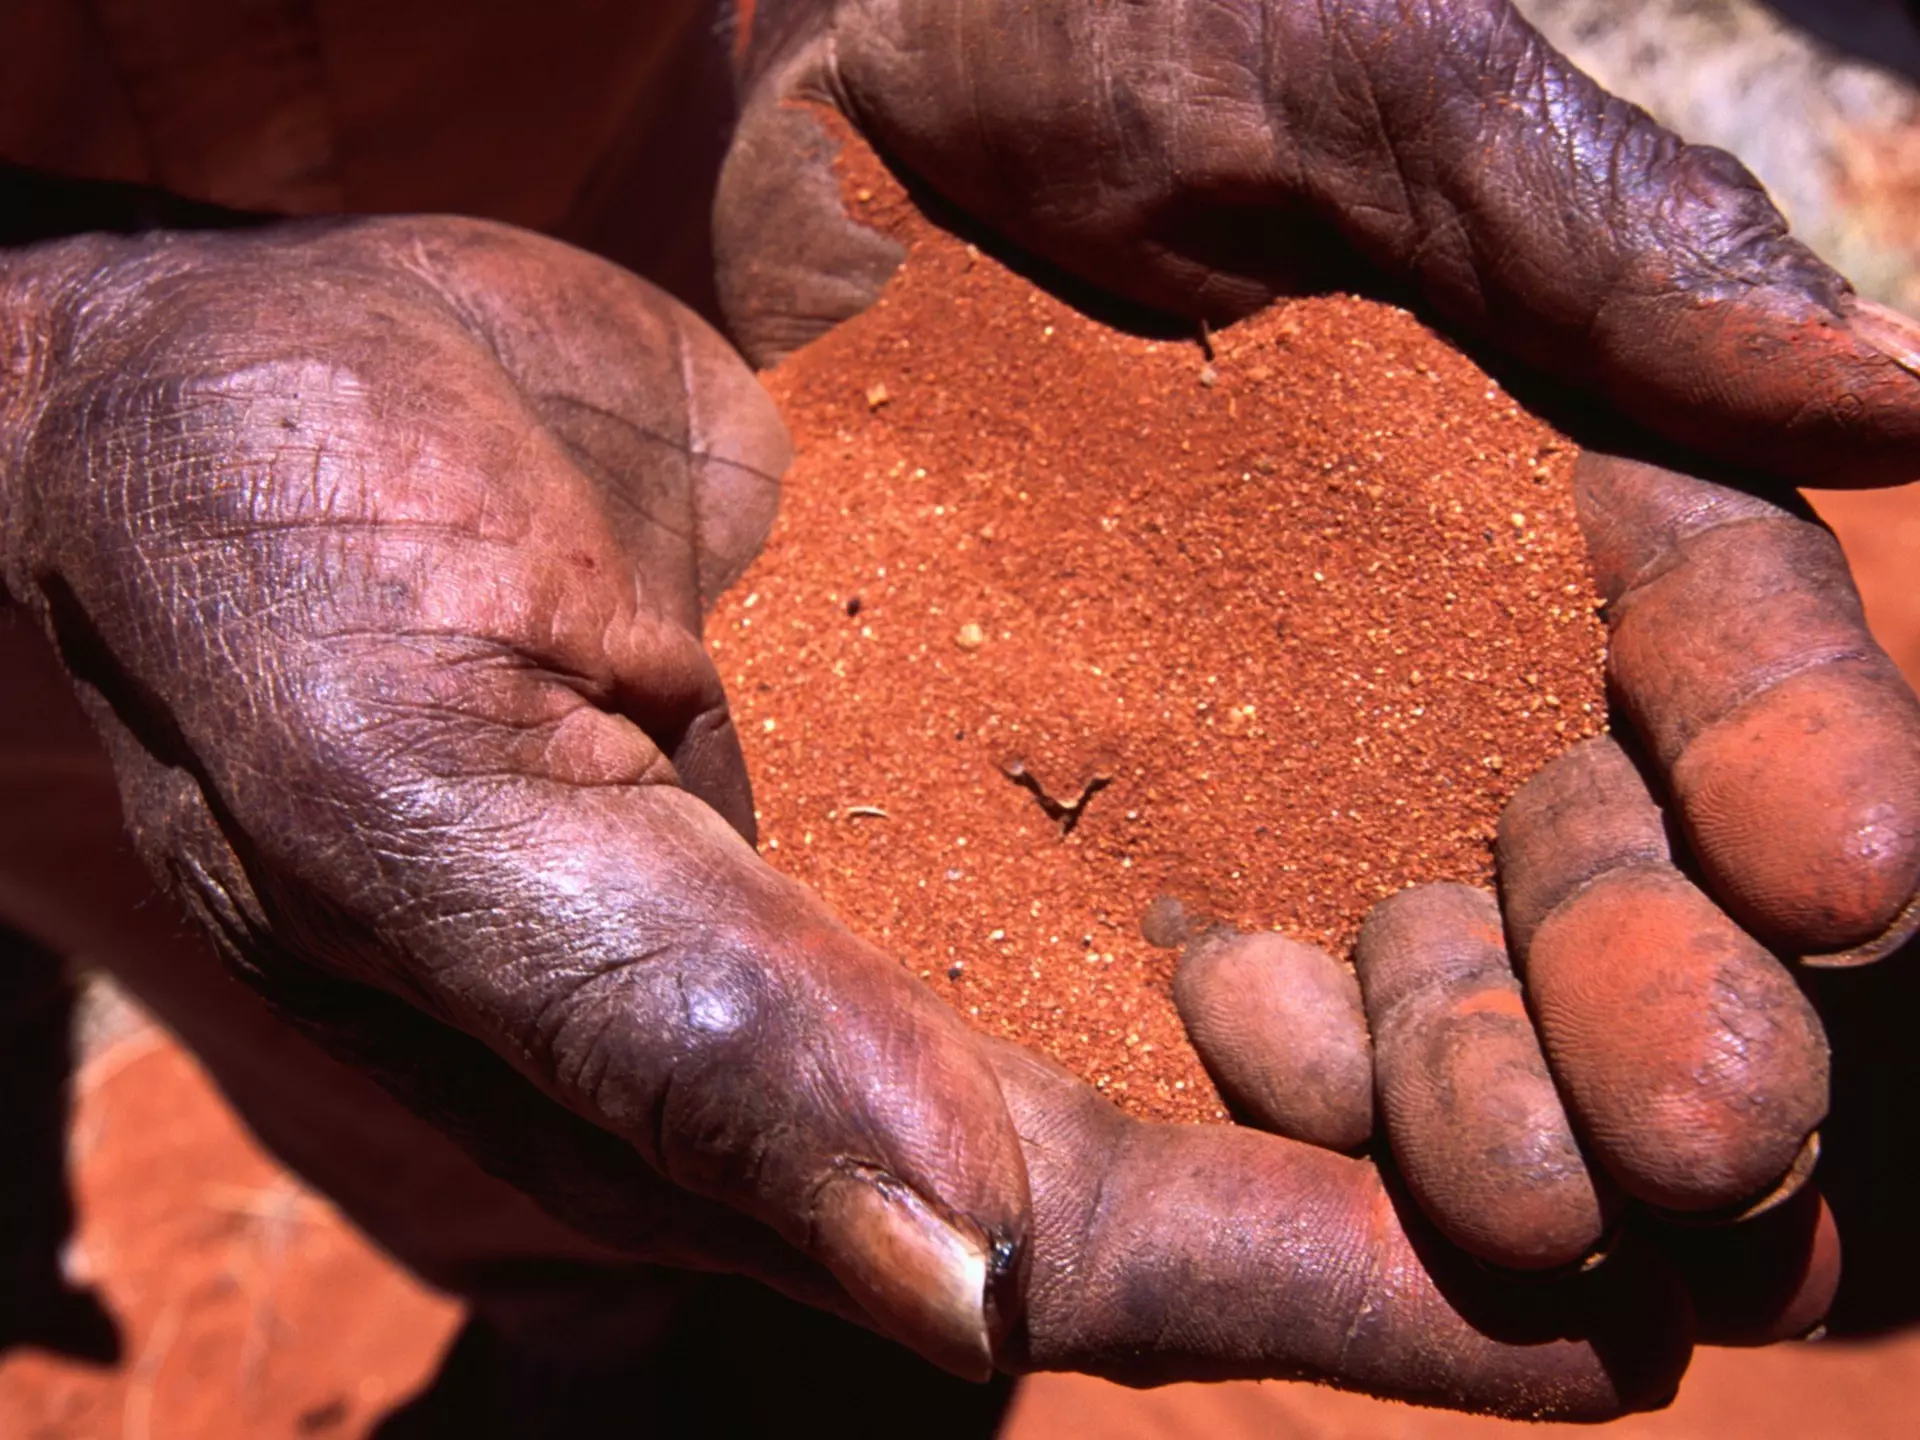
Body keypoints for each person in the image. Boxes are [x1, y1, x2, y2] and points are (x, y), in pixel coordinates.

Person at [1, 0, 1916, 1432]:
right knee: (411, 989)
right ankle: (609, 1326)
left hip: (715, 121)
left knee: (700, 993)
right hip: (99, 490)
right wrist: (47, 363)